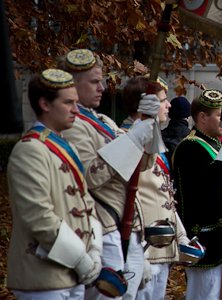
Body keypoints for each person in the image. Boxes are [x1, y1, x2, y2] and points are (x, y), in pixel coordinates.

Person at [60, 49, 160, 299]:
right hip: (102, 227)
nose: (103, 87)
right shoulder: (71, 126)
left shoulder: (103, 119)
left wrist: (150, 125)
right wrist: (135, 137)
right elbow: (91, 176)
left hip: (126, 226)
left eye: (102, 80)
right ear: (71, 84)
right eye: (94, 82)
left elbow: (143, 164)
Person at [7, 69, 102, 299]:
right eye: (68, 103)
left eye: (76, 102)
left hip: (70, 273)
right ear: (45, 104)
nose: (76, 110)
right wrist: (80, 258)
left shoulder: (61, 146)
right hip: (42, 274)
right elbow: (38, 215)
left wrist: (95, 251)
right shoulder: (30, 150)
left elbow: (85, 202)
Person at [118, 76, 189, 300]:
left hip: (161, 246)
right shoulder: (124, 139)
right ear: (145, 105)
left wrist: (181, 235)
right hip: (142, 245)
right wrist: (136, 249)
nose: (168, 105)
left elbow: (162, 192)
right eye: (162, 100)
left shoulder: (153, 143)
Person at [171, 89, 222, 299]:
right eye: (220, 115)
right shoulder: (189, 147)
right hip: (206, 237)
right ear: (202, 117)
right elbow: (210, 187)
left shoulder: (214, 143)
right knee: (206, 294)